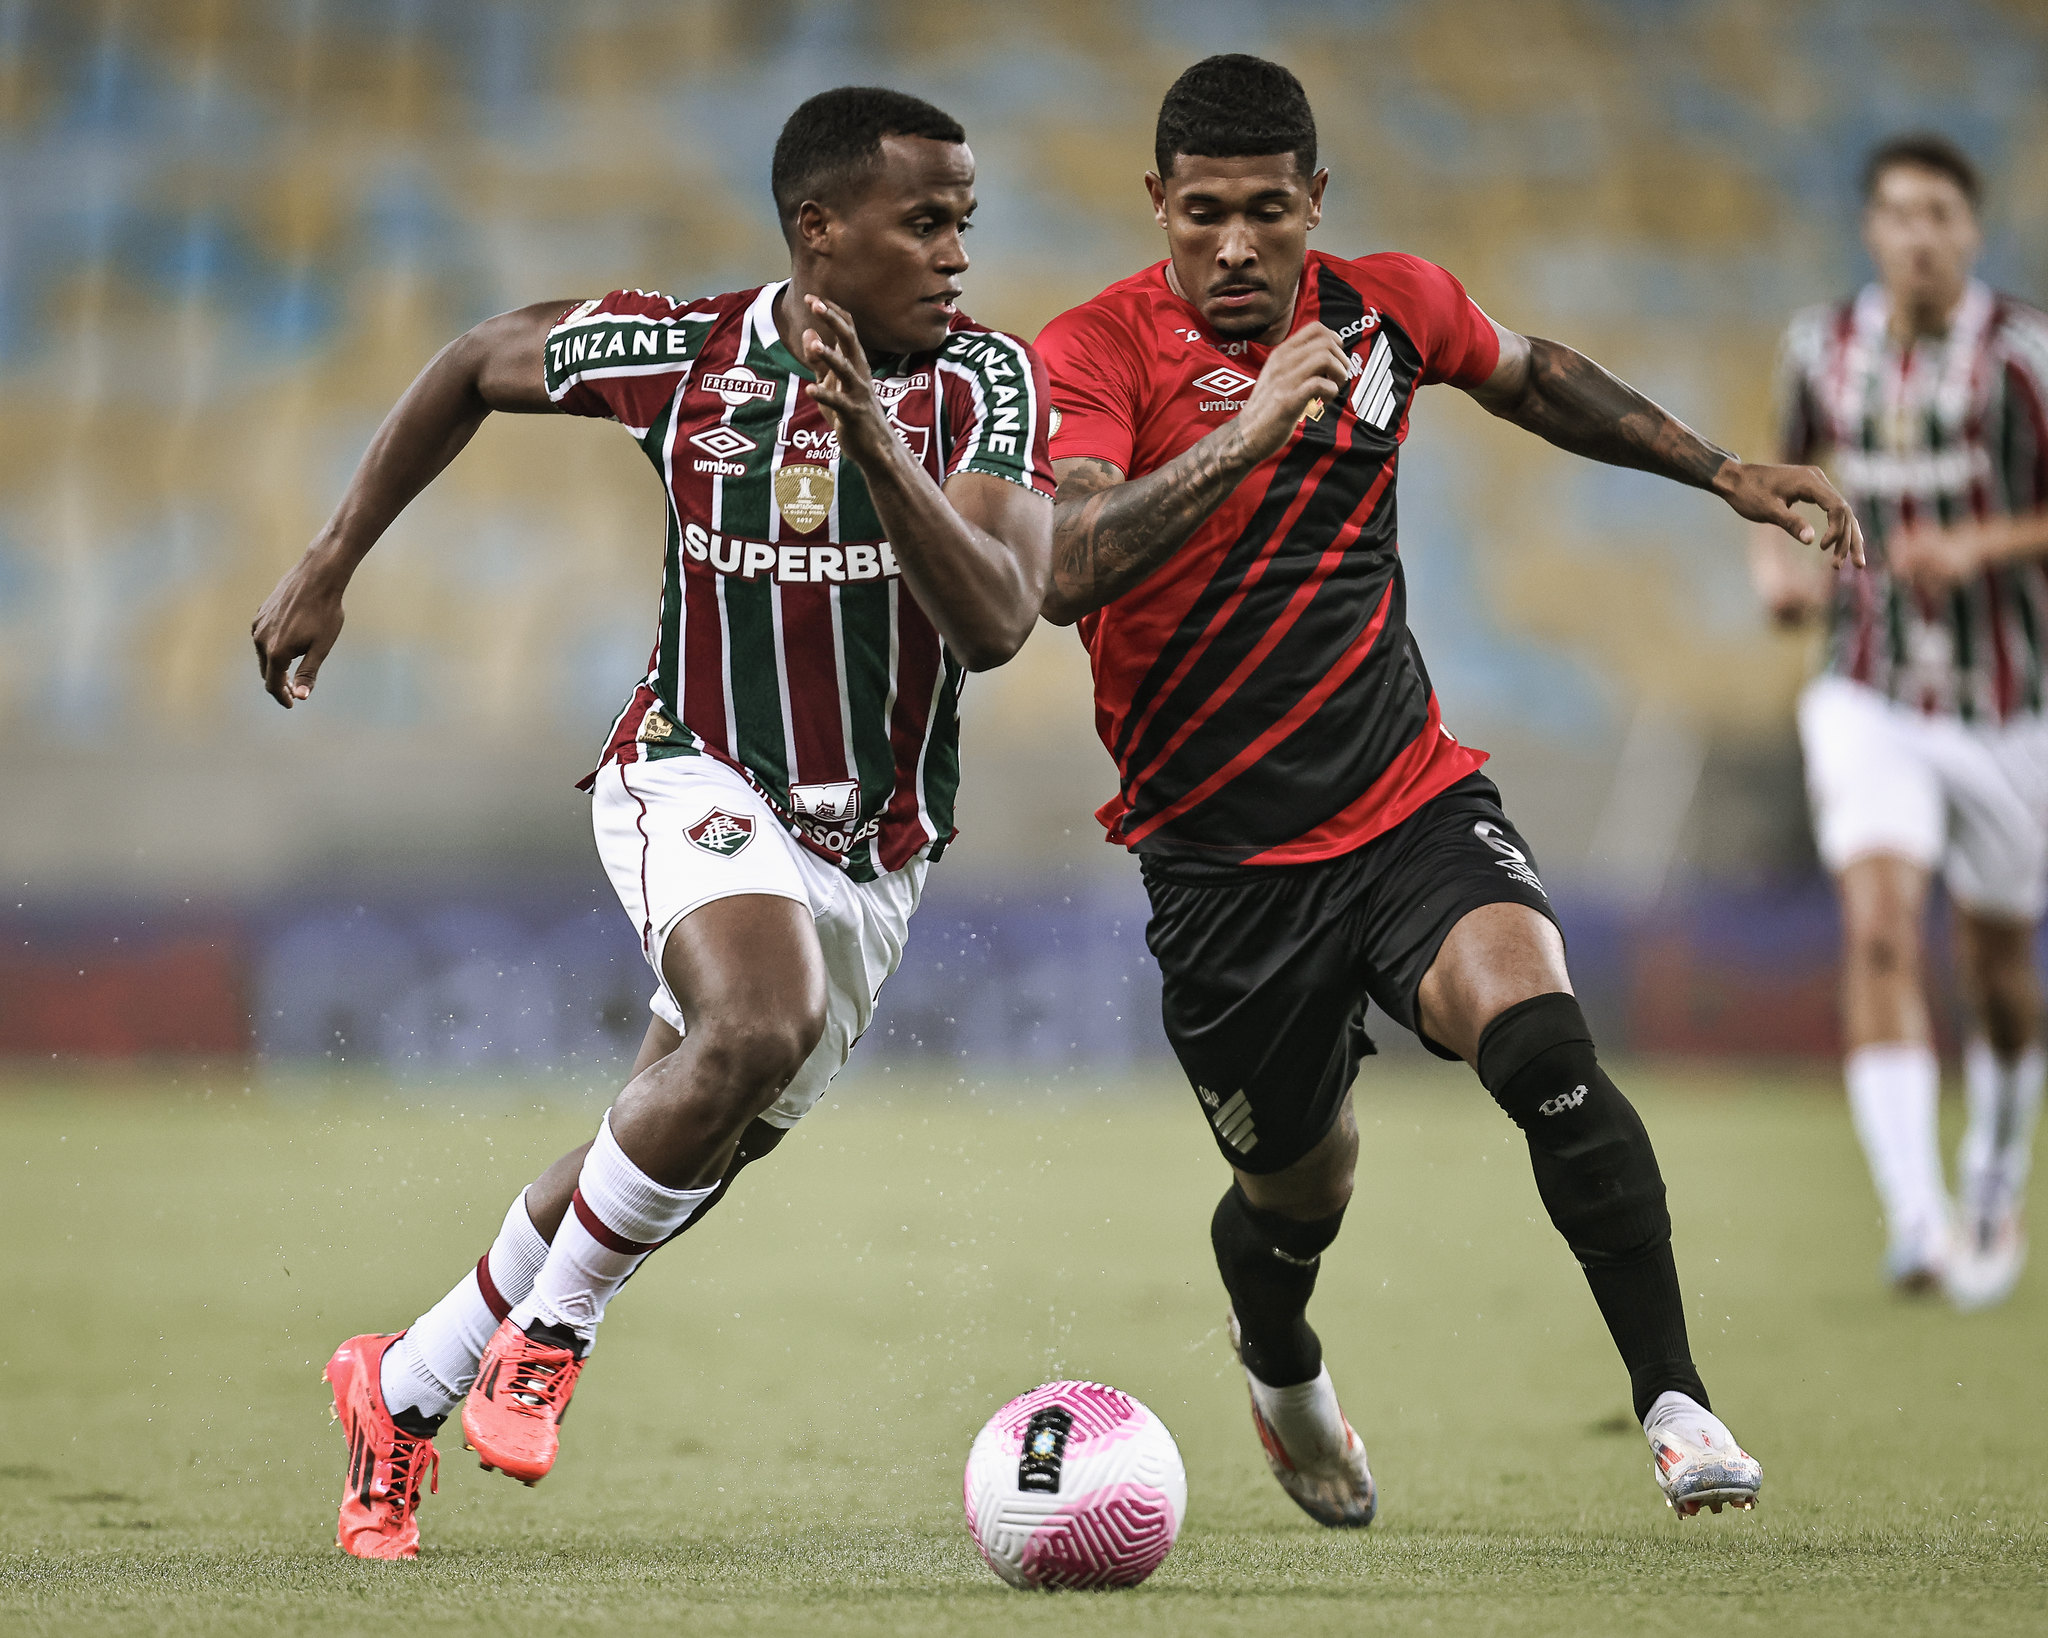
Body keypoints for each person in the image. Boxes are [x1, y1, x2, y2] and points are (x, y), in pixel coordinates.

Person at [1033, 54, 1860, 1526]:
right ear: (1156, 203)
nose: (1237, 246)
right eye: (1204, 213)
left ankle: (1676, 1401)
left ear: (1317, 204)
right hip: (1222, 868)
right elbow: (1064, 567)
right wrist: (1251, 428)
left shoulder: (1386, 304)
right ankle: (1280, 1362)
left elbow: (1536, 376)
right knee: (1300, 1197)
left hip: (1408, 797)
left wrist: (1720, 468)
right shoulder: (1095, 351)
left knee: (1540, 1035)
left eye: (1269, 213)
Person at [250, 87, 1054, 1559]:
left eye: (964, 224)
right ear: (821, 231)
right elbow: (474, 361)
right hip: (693, 770)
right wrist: (331, 555)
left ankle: (400, 1383)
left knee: (676, 1138)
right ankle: (552, 1339)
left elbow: (1001, 620)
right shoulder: (685, 354)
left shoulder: (988, 385)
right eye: (924, 222)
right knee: (756, 1024)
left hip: (873, 848)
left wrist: (870, 433)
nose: (955, 255)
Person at [1750, 133, 2048, 1309]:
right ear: (1870, 230)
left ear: (1968, 232)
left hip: (2007, 706)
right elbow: (1774, 477)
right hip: (1864, 687)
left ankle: (1992, 1164)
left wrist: (1983, 542)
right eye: (1897, 213)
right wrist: (1774, 569)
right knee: (1875, 921)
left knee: (1997, 974)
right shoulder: (1816, 348)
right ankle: (1916, 1222)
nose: (1917, 234)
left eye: (1938, 214)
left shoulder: (2022, 356)